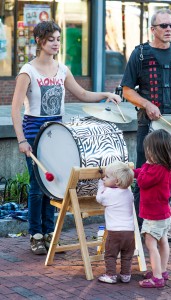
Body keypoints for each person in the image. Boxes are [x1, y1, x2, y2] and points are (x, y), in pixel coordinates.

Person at [11, 20, 121, 255]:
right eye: (51, 39)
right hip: (35, 133)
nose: (56, 44)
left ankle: (51, 233)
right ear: (40, 41)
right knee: (36, 186)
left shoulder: (62, 69)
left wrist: (106, 95)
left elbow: (81, 93)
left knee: (54, 185)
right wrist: (21, 140)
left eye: (58, 39)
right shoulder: (27, 71)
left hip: (58, 134)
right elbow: (15, 109)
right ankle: (36, 235)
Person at [121, 8, 171, 242]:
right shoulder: (140, 54)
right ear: (153, 29)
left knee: (169, 177)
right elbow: (127, 90)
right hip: (148, 126)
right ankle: (140, 227)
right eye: (163, 26)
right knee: (145, 175)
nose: (168, 29)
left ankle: (161, 228)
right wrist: (146, 104)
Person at [134, 129, 171, 288]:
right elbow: (141, 173)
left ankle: (157, 277)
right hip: (164, 214)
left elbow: (142, 181)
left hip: (154, 216)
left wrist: (144, 166)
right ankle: (163, 270)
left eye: (148, 150)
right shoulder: (164, 167)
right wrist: (133, 171)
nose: (146, 154)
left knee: (150, 244)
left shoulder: (154, 169)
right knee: (163, 241)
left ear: (155, 151)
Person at [96, 161, 135, 284]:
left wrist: (100, 187)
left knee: (110, 255)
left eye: (107, 177)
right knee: (127, 256)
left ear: (117, 181)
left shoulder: (108, 193)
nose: (104, 178)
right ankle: (125, 275)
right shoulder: (129, 193)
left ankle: (111, 275)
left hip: (115, 232)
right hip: (129, 232)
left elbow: (99, 199)